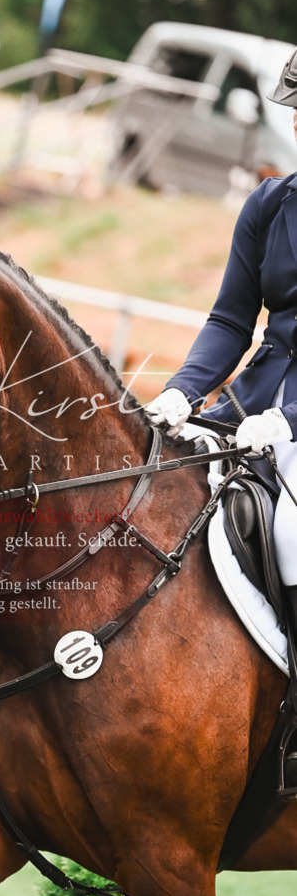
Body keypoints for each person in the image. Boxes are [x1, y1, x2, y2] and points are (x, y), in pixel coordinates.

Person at [146, 45, 297, 637]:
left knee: (289, 533)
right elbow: (233, 320)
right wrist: (184, 391)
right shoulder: (270, 203)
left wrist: (289, 421)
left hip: (289, 420)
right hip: (251, 399)